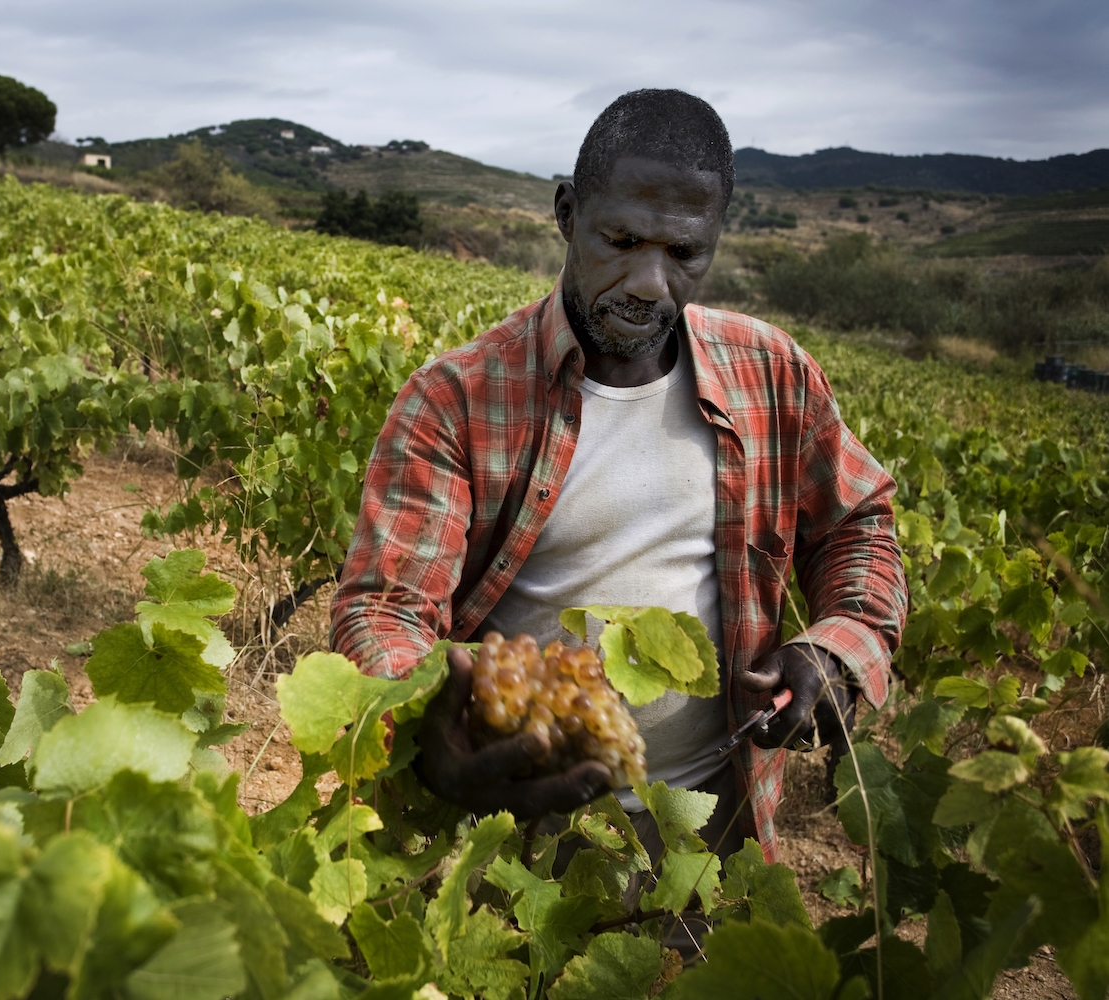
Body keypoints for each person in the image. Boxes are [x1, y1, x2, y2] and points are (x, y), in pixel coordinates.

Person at [329, 89, 907, 867]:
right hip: (514, 833)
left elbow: (857, 521)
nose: (648, 281)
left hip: (711, 827)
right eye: (622, 239)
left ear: (716, 242)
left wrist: (834, 648)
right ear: (567, 213)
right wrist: (427, 712)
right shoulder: (457, 399)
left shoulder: (772, 373)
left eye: (683, 253)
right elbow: (387, 606)